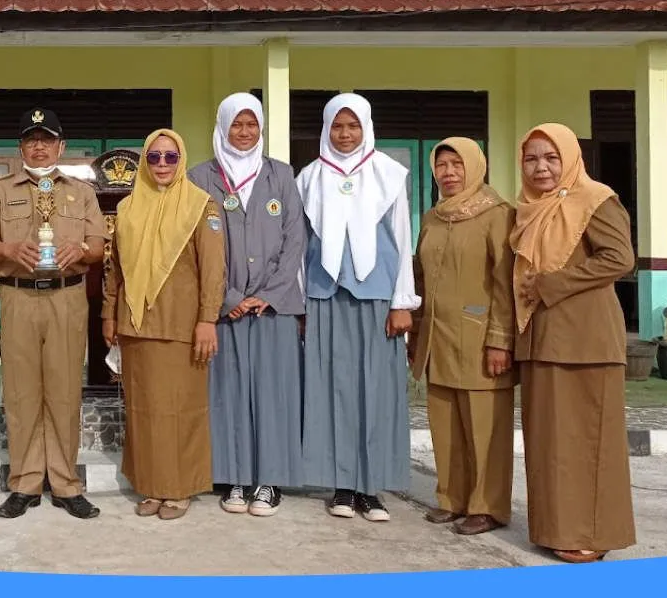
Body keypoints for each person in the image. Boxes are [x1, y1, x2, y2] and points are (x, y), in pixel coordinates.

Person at [0, 108, 107, 520]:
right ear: (21, 146)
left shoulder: (80, 192)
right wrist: (8, 249)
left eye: (47, 139)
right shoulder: (0, 189)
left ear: (61, 146)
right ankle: (26, 483)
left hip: (66, 296)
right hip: (19, 297)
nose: (40, 146)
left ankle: (66, 484)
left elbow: (99, 246)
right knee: (22, 391)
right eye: (31, 139)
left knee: (64, 391)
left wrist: (80, 250)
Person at [509, 123, 636, 563]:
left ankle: (593, 532)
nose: (541, 167)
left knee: (589, 442)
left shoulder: (595, 200)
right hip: (541, 337)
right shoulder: (530, 209)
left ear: (569, 158)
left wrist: (553, 284)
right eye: (531, 159)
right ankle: (555, 528)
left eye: (551, 157)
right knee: (550, 444)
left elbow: (620, 258)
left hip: (586, 339)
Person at [297, 93, 419, 522]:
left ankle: (372, 488)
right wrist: (300, 306)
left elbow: (402, 239)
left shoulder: (388, 174)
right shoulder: (309, 177)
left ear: (366, 128)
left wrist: (403, 301)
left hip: (377, 298)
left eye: (353, 126)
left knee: (377, 391)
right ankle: (341, 487)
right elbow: (301, 246)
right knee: (330, 391)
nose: (345, 134)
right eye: (337, 126)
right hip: (323, 296)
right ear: (326, 128)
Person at [189, 93, 307, 517]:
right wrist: (229, 298)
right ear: (222, 127)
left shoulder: (281, 174)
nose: (244, 133)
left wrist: (269, 294)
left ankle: (269, 481)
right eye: (236, 125)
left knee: (274, 394)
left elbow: (295, 239)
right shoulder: (201, 177)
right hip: (225, 309)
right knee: (229, 393)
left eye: (251, 124)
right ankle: (235, 478)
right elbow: (196, 246)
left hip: (275, 307)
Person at [102, 128, 225, 521]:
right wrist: (109, 314)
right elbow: (114, 271)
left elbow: (214, 270)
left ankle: (180, 488)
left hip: (182, 325)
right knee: (143, 411)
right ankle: (152, 487)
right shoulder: (127, 209)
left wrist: (208, 319)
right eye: (153, 157)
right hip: (136, 324)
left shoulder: (202, 207)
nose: (161, 165)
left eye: (170, 157)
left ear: (182, 160)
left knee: (181, 409)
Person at [409, 138, 517, 536]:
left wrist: (500, 340)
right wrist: (417, 332)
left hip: (479, 338)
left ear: (476, 167)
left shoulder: (497, 214)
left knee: (485, 428)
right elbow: (420, 277)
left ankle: (487, 507)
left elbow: (506, 283)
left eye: (457, 164)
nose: (449, 172)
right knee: (445, 423)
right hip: (438, 337)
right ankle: (451, 499)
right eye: (441, 165)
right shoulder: (432, 217)